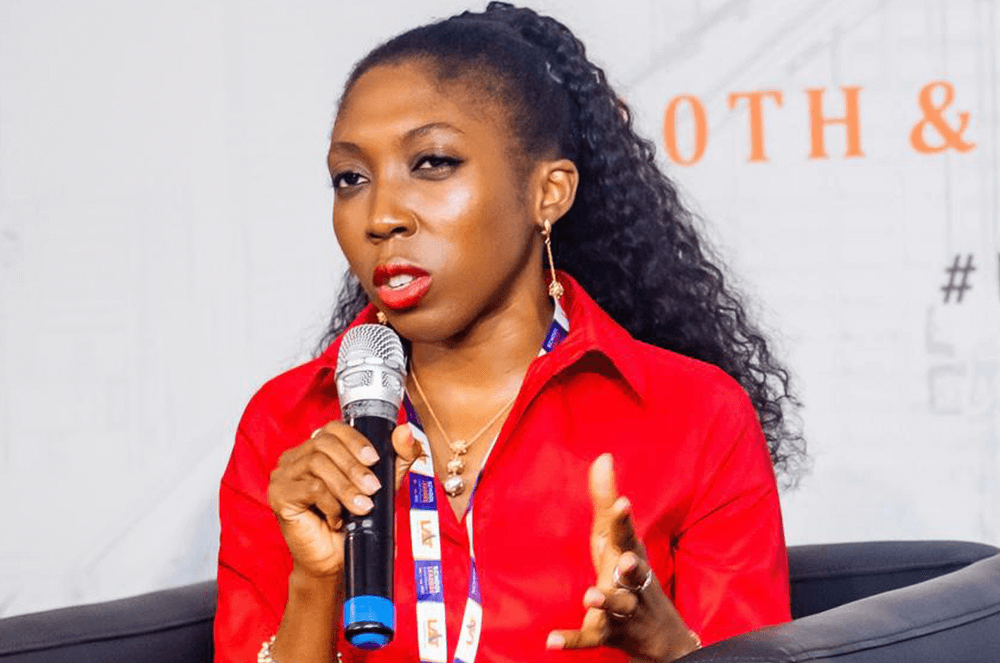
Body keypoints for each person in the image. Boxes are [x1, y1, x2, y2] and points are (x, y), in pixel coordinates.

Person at [215, 3, 806, 662]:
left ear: (547, 193)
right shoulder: (286, 423)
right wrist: (316, 579)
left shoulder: (696, 416)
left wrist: (668, 646)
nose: (380, 215)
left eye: (432, 162)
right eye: (351, 177)